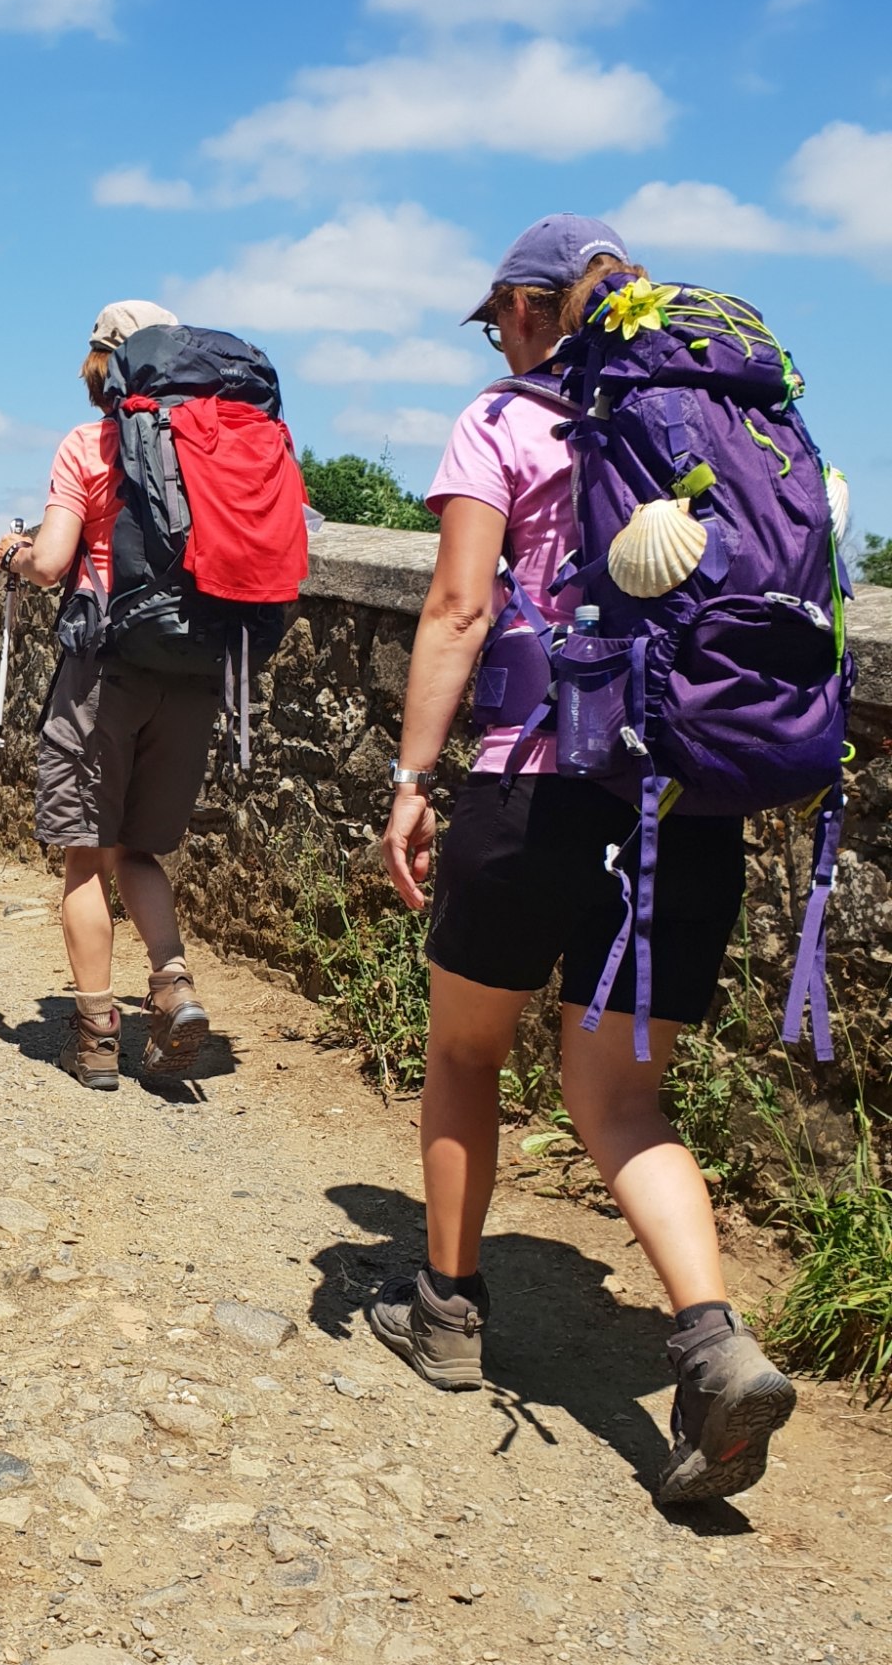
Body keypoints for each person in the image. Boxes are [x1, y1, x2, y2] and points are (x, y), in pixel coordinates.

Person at [368, 214, 795, 1504]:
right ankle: (711, 1344)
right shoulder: (714, 421)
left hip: (527, 787)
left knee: (462, 1051)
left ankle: (446, 1308)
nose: (495, 336)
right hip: (682, 804)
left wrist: (407, 779)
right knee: (620, 1101)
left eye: (499, 315)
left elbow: (458, 605)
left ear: (524, 307)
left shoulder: (500, 423)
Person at [0, 298, 221, 1091]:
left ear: (102, 365)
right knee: (141, 850)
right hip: (194, 673)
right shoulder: (210, 449)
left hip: (108, 667)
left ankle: (95, 1035)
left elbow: (55, 563)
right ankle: (173, 983)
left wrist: (16, 554)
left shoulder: (87, 445)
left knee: (86, 853)